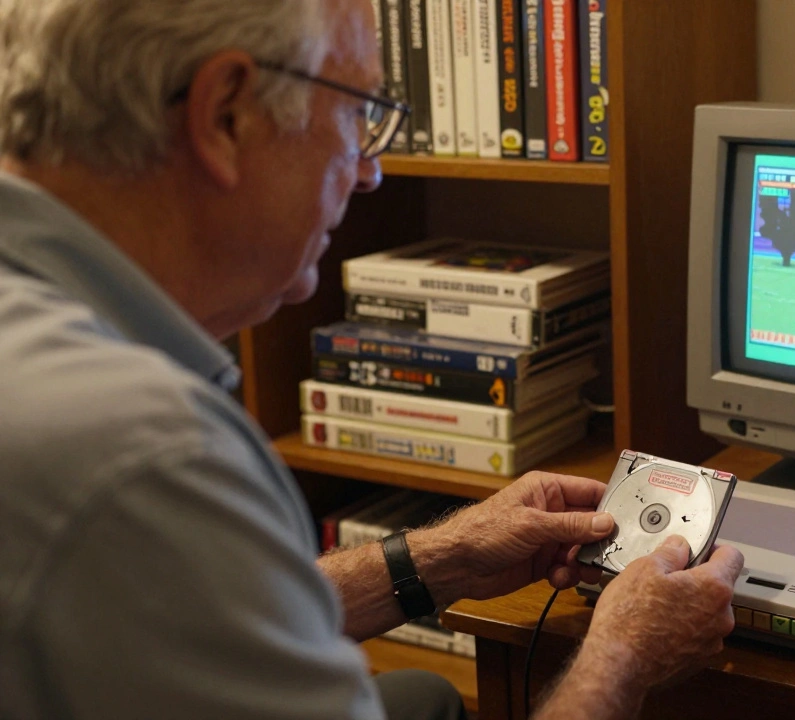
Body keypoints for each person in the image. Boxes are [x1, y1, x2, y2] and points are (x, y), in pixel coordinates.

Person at [0, 2, 743, 719]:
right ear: (226, 113)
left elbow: (188, 619)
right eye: (358, 112)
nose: (369, 173)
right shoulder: (151, 453)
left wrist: (441, 557)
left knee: (417, 698)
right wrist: (624, 653)